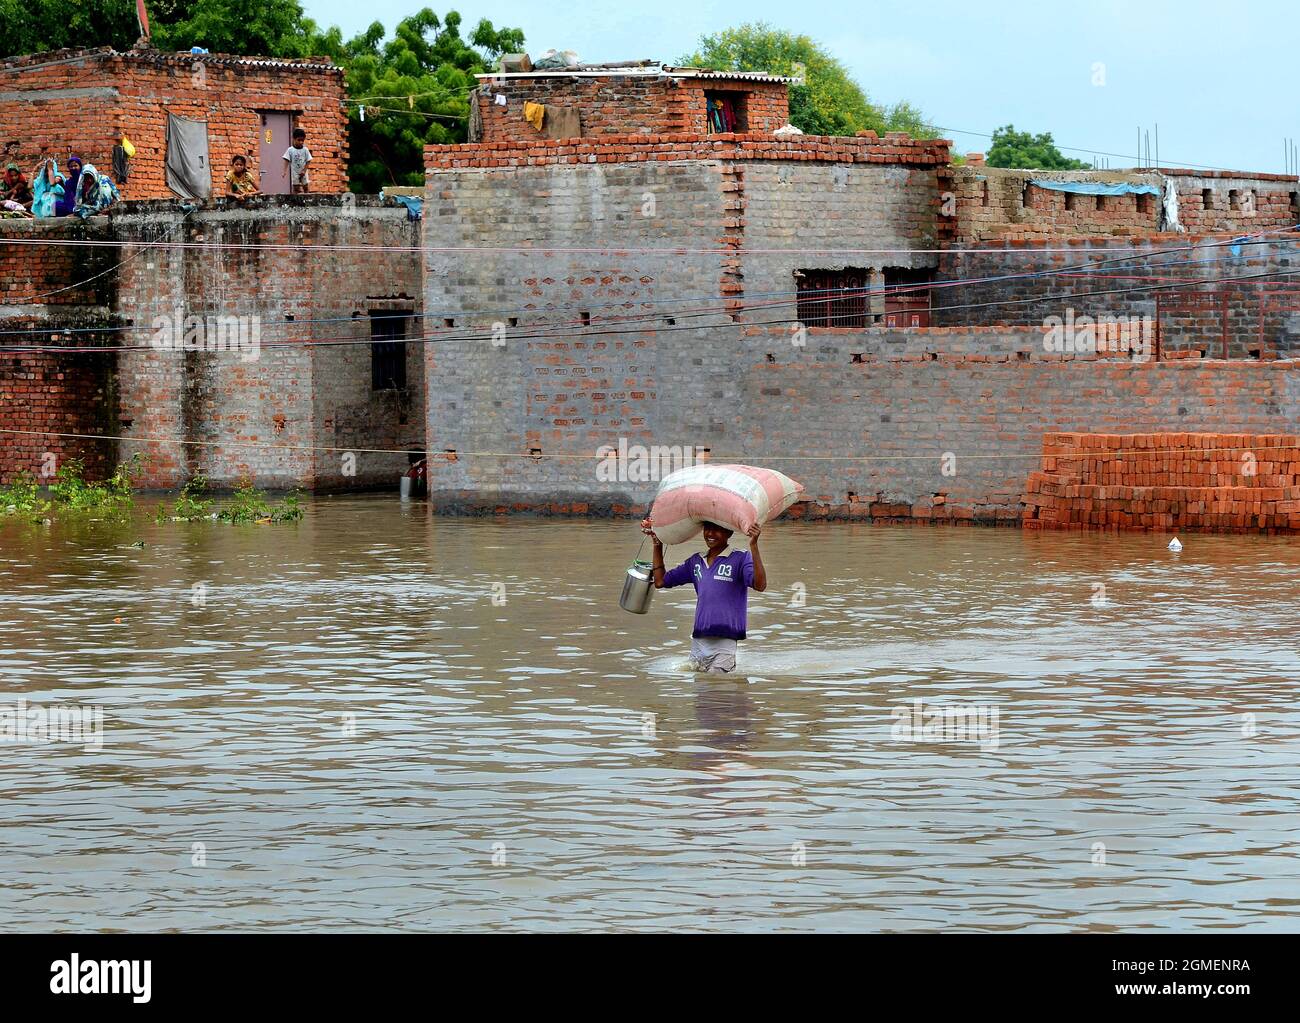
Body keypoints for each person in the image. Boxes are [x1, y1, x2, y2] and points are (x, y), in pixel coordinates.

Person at [641, 518, 767, 674]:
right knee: (701, 692)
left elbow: (760, 585)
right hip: (699, 641)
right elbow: (660, 581)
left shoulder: (741, 558)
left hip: (725, 642)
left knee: (717, 686)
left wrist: (754, 546)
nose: (710, 534)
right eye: (707, 528)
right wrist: (657, 543)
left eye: (717, 529)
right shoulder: (696, 562)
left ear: (729, 532)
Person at [282, 128, 311, 194]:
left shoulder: (305, 150)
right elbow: (286, 160)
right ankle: (296, 202)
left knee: (305, 187)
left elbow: (308, 160)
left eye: (302, 140)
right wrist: (284, 171)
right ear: (294, 139)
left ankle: (307, 201)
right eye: (299, 140)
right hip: (295, 172)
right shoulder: (290, 150)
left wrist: (304, 170)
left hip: (303, 172)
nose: (301, 142)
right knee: (296, 188)